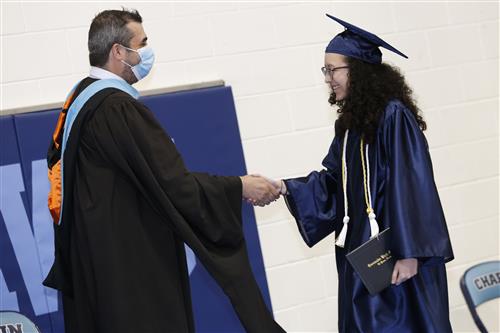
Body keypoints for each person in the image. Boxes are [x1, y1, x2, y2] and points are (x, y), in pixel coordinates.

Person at [43, 8, 283, 333]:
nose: (146, 52)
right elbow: (173, 184)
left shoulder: (79, 102)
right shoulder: (117, 110)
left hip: (99, 271)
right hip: (132, 277)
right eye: (140, 44)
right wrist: (238, 186)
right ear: (118, 52)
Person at [269, 14, 454, 333]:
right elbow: (333, 184)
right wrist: (286, 187)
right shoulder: (349, 127)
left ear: (359, 70)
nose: (328, 78)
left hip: (399, 260)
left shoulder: (394, 116)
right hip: (363, 263)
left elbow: (413, 185)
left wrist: (411, 254)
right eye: (325, 70)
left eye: (333, 69)